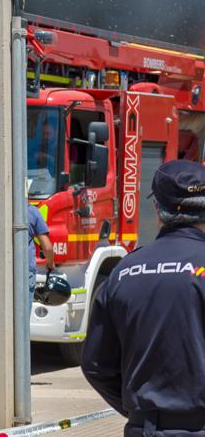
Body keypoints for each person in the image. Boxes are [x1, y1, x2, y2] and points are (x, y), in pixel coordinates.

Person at [82, 160, 205, 436]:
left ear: (157, 211)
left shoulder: (123, 271)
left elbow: (96, 366)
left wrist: (141, 411)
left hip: (146, 428)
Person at [27, 203, 56, 317]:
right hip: (25, 271)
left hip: (3, 270)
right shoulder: (32, 211)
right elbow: (48, 247)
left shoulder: (1, 210)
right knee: (22, 319)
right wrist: (50, 263)